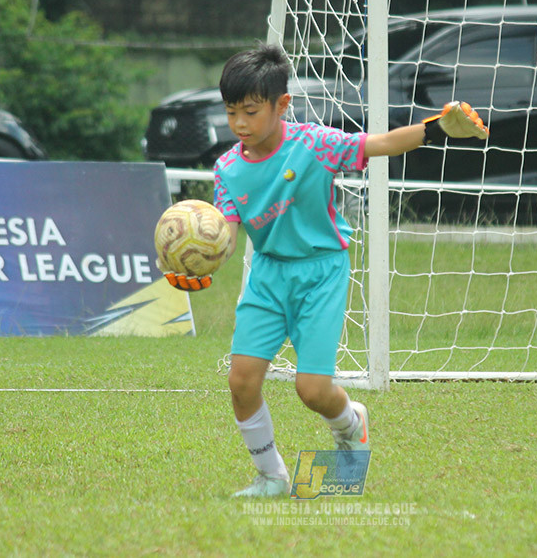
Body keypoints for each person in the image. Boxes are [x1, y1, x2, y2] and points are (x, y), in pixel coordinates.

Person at [163, 43, 488, 497]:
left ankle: (351, 422)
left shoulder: (313, 144)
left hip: (321, 274)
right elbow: (226, 235)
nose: (239, 124)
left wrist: (433, 129)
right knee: (241, 382)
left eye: (251, 112)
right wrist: (198, 267)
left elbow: (379, 144)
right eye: (232, 112)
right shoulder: (227, 168)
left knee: (313, 390)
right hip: (268, 277)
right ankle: (271, 476)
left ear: (282, 105)